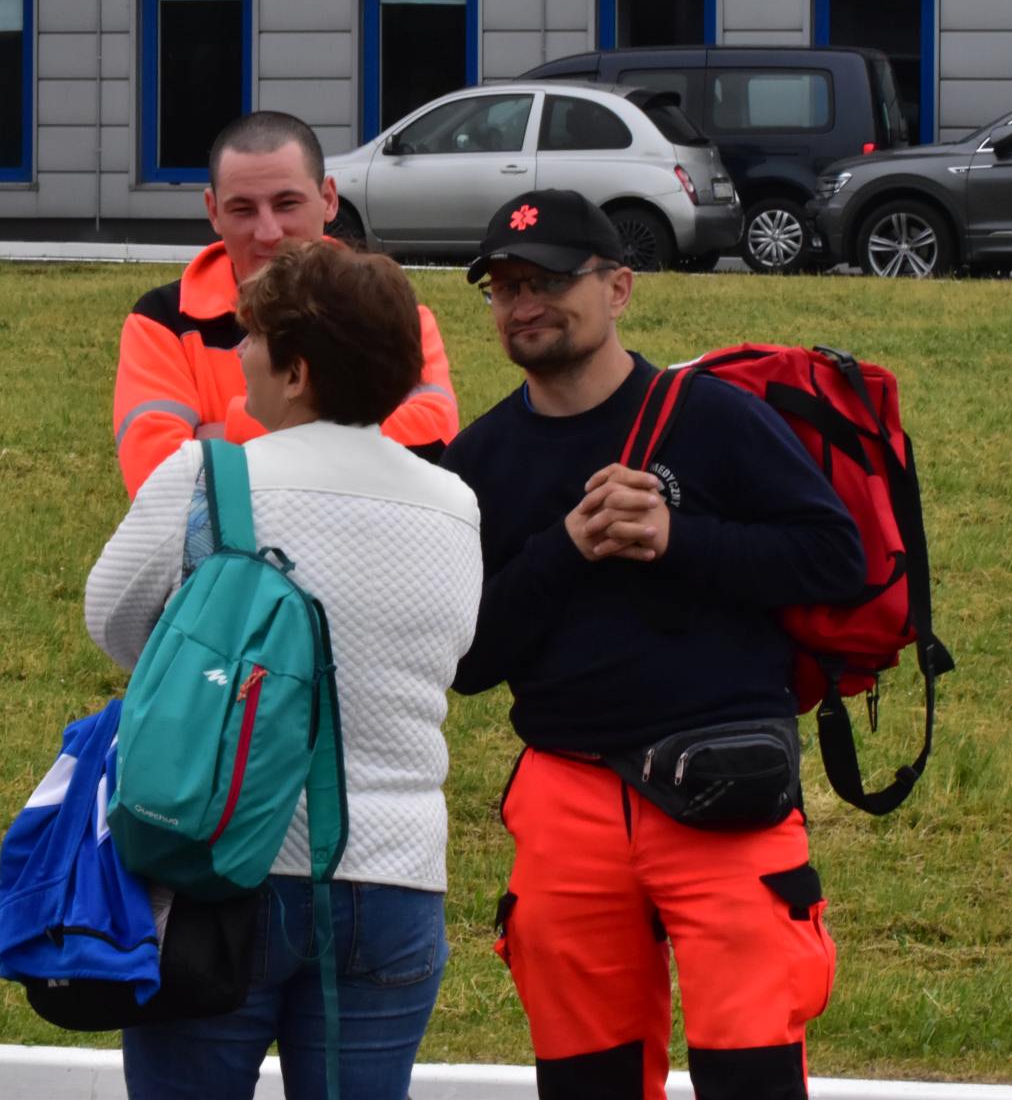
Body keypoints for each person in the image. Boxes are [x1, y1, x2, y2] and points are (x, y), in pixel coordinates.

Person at [439, 190, 867, 1100]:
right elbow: (467, 661)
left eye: (550, 279)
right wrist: (565, 548)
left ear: (619, 287)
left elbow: (836, 559)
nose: (524, 303)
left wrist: (679, 538)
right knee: (585, 1082)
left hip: (725, 784)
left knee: (751, 1076)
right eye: (505, 286)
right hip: (566, 793)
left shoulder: (710, 416)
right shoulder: (476, 461)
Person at [87, 239, 483, 1100]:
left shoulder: (205, 476)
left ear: (296, 372)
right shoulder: (456, 504)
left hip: (219, 860)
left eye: (254, 338)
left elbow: (110, 618)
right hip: (397, 880)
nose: (237, 355)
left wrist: (214, 680)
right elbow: (451, 650)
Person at [111, 110, 460, 497]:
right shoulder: (163, 322)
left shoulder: (389, 310)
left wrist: (231, 428)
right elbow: (159, 485)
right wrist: (353, 446)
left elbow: (433, 442)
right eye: (243, 209)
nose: (268, 232)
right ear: (213, 211)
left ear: (328, 199)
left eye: (286, 204)